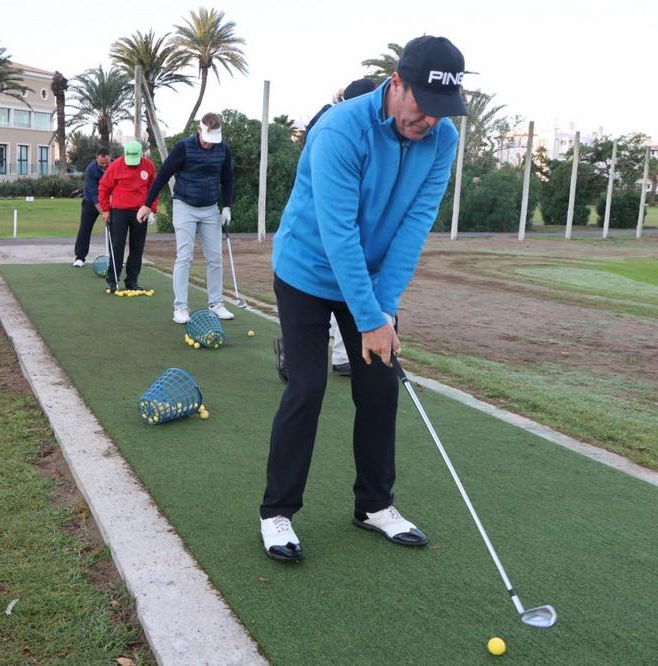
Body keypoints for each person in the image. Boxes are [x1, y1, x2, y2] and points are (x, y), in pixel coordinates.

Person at [258, 35, 467, 563]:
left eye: (442, 113)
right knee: (307, 385)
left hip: (371, 279)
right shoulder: (339, 130)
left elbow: (414, 227)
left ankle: (373, 504)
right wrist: (370, 318)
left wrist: (383, 308)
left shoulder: (443, 140)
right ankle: (277, 513)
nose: (429, 122)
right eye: (422, 107)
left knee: (380, 385)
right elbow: (339, 234)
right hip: (306, 269)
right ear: (396, 84)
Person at [276, 78, 378, 381]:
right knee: (307, 378)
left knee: (348, 288)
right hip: (311, 245)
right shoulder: (330, 128)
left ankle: (341, 355)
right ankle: (293, 346)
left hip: (352, 238)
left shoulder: (371, 129)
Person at [141, 112, 235, 324]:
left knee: (215, 257)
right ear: (200, 130)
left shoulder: (223, 149)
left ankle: (216, 303)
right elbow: (163, 174)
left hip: (210, 208)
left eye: (213, 141)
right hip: (184, 206)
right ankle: (180, 307)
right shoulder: (183, 147)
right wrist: (147, 204)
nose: (209, 144)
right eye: (206, 139)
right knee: (185, 255)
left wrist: (227, 206)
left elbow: (227, 178)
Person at [97, 140, 157, 291]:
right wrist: (105, 210)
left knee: (137, 247)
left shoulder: (148, 166)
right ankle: (112, 280)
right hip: (119, 211)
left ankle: (132, 281)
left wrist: (152, 209)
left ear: (141, 155)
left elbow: (153, 189)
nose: (132, 164)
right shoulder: (116, 166)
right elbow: (104, 188)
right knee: (117, 246)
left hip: (140, 211)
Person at [72, 148, 110, 267]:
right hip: (91, 202)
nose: (104, 165)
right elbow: (95, 195)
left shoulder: (114, 165)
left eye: (106, 162)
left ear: (109, 157)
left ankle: (115, 259)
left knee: (115, 229)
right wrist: (103, 212)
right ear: (96, 158)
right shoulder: (90, 170)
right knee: (85, 228)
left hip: (109, 201)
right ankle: (80, 257)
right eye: (101, 163)